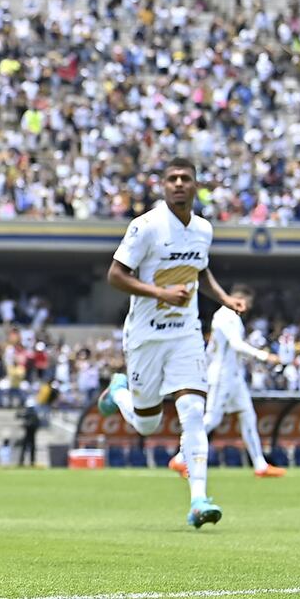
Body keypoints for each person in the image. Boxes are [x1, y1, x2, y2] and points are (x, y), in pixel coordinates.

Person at [98, 157, 247, 529]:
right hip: (146, 337)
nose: (179, 183)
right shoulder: (146, 226)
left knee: (193, 413)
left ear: (196, 186)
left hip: (186, 334)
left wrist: (224, 298)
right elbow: (116, 275)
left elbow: (200, 268)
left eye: (186, 178)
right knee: (147, 425)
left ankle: (199, 499)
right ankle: (119, 392)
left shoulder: (203, 229)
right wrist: (159, 292)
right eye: (172, 178)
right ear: (163, 186)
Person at [168, 285, 285, 478]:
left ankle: (260, 464)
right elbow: (236, 345)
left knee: (248, 415)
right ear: (238, 299)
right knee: (212, 418)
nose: (245, 308)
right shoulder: (226, 316)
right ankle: (180, 458)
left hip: (234, 376)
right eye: (245, 303)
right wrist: (264, 356)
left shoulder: (229, 317)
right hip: (222, 375)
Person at [17, 400, 40, 467]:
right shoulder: (34, 414)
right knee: (30, 448)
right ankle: (30, 461)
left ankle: (23, 461)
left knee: (25, 448)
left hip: (29, 434)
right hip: (31, 434)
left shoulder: (30, 414)